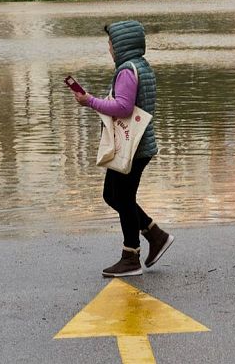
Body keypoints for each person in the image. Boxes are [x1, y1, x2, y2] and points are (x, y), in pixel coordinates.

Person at [73, 20, 173, 278]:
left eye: (110, 43)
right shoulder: (142, 67)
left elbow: (124, 108)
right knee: (112, 195)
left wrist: (90, 101)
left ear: (121, 45)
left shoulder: (127, 71)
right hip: (137, 144)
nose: (109, 48)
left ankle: (131, 256)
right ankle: (155, 234)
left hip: (132, 147)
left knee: (123, 198)